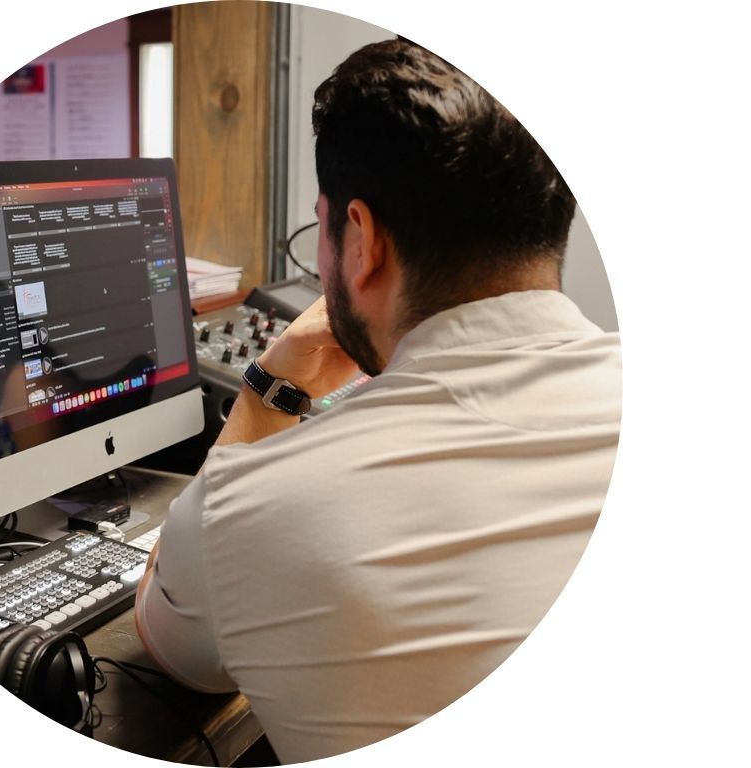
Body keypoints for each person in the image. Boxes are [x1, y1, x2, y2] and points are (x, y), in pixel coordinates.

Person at [134, 39, 621, 763]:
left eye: (320, 225)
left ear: (359, 240)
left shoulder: (257, 509)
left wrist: (267, 394)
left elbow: (175, 641)